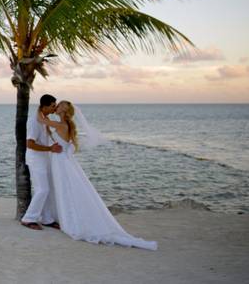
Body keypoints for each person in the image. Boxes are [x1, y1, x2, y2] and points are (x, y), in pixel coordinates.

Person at [39, 100, 158, 250]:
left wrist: (41, 108)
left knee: (66, 189)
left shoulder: (62, 125)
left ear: (64, 110)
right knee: (64, 189)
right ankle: (58, 216)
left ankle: (69, 219)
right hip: (61, 161)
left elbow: (41, 120)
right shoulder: (63, 125)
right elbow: (50, 130)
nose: (56, 106)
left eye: (59, 104)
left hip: (62, 162)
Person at [20, 94, 63, 230]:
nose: (54, 108)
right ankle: (28, 218)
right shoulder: (34, 121)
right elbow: (30, 144)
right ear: (44, 106)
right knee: (42, 189)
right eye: (52, 106)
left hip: (45, 158)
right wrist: (50, 148)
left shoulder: (44, 119)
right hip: (36, 160)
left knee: (48, 189)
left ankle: (46, 218)